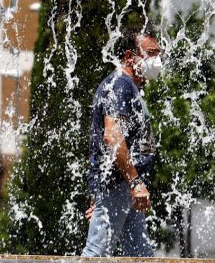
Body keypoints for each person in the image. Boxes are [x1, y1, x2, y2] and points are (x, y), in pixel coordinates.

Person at [82, 26, 163, 257]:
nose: (156, 60)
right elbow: (112, 136)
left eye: (158, 54)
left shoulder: (130, 87)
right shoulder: (121, 85)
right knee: (96, 253)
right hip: (120, 183)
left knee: (140, 255)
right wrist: (135, 182)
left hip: (123, 185)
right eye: (150, 53)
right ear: (129, 56)